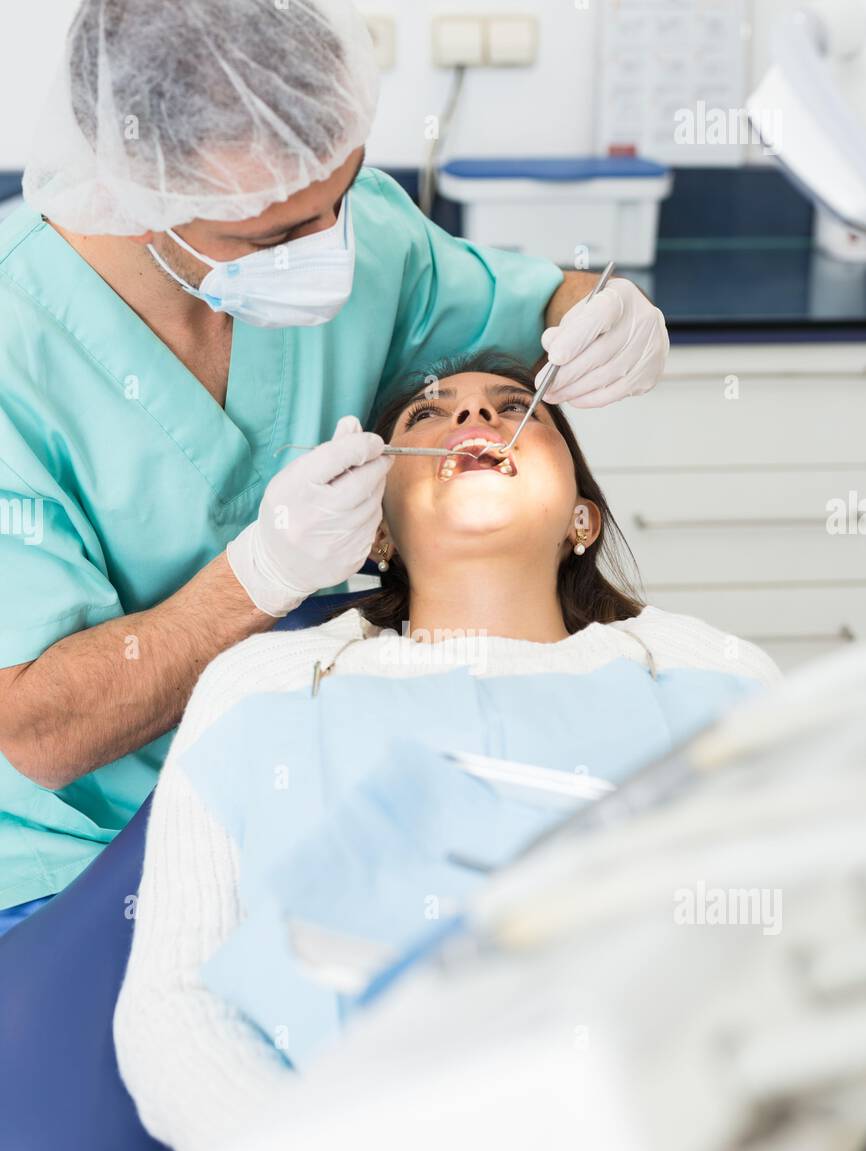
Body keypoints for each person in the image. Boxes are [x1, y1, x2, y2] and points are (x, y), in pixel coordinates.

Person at [0, 0, 670, 930]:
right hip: (72, 859)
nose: (327, 252)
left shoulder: (674, 677)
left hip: (300, 812)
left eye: (340, 197)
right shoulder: (18, 345)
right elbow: (32, 730)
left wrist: (602, 310)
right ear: (137, 192)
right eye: (273, 238)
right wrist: (260, 577)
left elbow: (533, 306)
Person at [114, 354, 781, 1151]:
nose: (474, 421)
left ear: (584, 518)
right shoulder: (264, 687)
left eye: (515, 408)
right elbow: (172, 1006)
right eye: (429, 415)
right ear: (379, 530)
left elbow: (796, 955)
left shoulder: (716, 675)